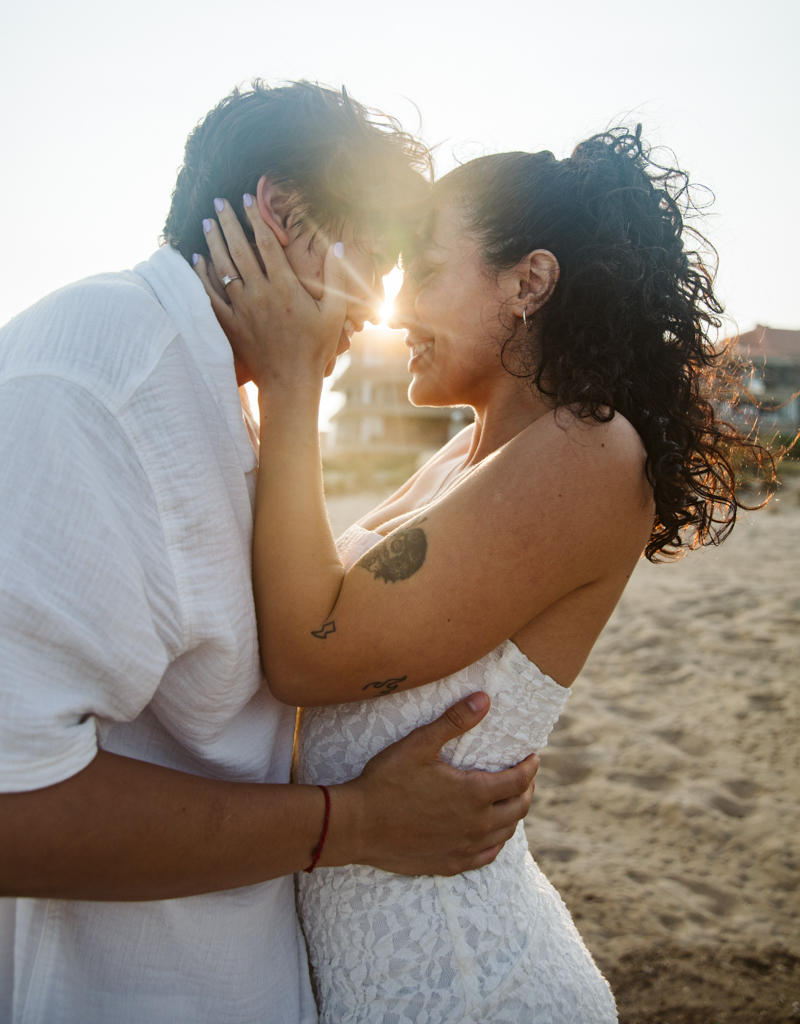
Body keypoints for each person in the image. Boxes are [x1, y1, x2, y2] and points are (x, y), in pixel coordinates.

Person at [196, 126, 771, 1022]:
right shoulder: (469, 454)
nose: (394, 307)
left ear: (528, 283)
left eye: (423, 271)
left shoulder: (589, 450)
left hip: (472, 988)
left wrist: (291, 380)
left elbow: (312, 653)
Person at [0, 81, 541, 1024]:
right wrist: (360, 825)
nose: (375, 312)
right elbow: (13, 810)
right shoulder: (99, 387)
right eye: (372, 260)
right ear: (282, 215)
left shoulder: (213, 388)